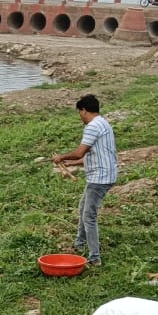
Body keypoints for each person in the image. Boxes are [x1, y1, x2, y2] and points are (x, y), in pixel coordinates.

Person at [51, 94, 117, 267]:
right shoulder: (103, 123)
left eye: (80, 112)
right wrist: (71, 162)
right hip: (105, 174)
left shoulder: (92, 126)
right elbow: (94, 154)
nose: (80, 116)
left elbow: (80, 152)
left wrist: (61, 157)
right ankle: (79, 244)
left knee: (89, 216)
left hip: (100, 178)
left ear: (84, 110)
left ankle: (95, 258)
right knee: (83, 208)